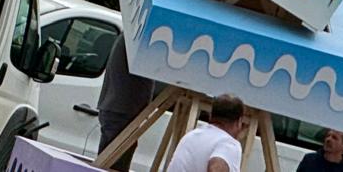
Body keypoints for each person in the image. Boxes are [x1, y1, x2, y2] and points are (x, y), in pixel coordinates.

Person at [96, 38, 157, 171]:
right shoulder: (137, 38)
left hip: (120, 107)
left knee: (113, 161)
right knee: (114, 163)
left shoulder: (134, 36)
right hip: (122, 109)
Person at [167, 93, 248, 172]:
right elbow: (216, 167)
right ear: (239, 121)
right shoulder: (228, 143)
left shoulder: (191, 136)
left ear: (211, 115)